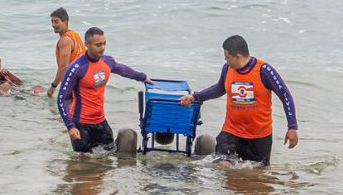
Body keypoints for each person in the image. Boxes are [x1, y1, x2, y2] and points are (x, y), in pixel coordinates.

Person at [179, 35, 298, 167]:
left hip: (259, 135)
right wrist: (195, 97)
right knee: (223, 165)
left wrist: (292, 127)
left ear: (238, 57)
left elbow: (286, 96)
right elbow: (219, 89)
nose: (225, 60)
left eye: (227, 57)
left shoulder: (264, 71)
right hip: (231, 131)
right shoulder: (227, 69)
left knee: (258, 175)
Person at [57, 27, 154, 152]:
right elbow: (62, 99)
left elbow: (123, 69)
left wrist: (142, 77)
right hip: (80, 125)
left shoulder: (107, 61)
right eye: (98, 45)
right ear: (86, 45)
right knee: (82, 164)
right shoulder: (76, 68)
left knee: (108, 157)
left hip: (100, 121)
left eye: (104, 44)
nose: (102, 48)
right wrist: (70, 126)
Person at [47, 7, 86, 98]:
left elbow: (63, 67)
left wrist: (53, 86)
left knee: (68, 110)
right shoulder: (75, 35)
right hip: (83, 82)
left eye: (56, 21)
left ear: (65, 22)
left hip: (73, 85)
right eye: (52, 21)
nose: (53, 24)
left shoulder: (65, 40)